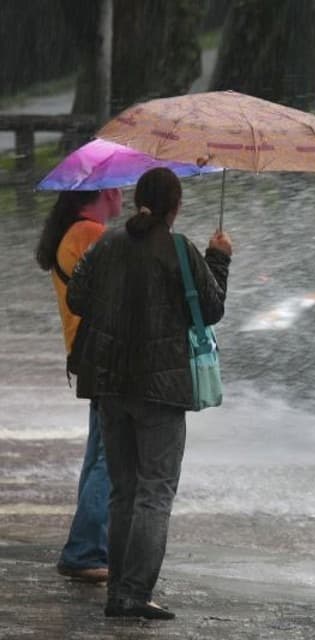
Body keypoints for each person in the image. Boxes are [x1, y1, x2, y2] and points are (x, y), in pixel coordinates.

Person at [66, 167, 233, 620]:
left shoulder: (107, 244)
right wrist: (219, 259)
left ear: (138, 198)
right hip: (161, 391)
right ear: (175, 207)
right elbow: (211, 309)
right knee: (155, 493)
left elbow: (78, 299)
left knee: (123, 491)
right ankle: (134, 594)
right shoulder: (179, 249)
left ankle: (118, 592)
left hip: (110, 386)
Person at [35, 187, 124, 583]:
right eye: (120, 190)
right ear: (106, 191)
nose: (123, 196)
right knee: (112, 457)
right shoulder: (91, 234)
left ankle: (85, 547)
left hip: (88, 355)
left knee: (99, 454)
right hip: (106, 354)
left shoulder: (73, 233)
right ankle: (85, 550)